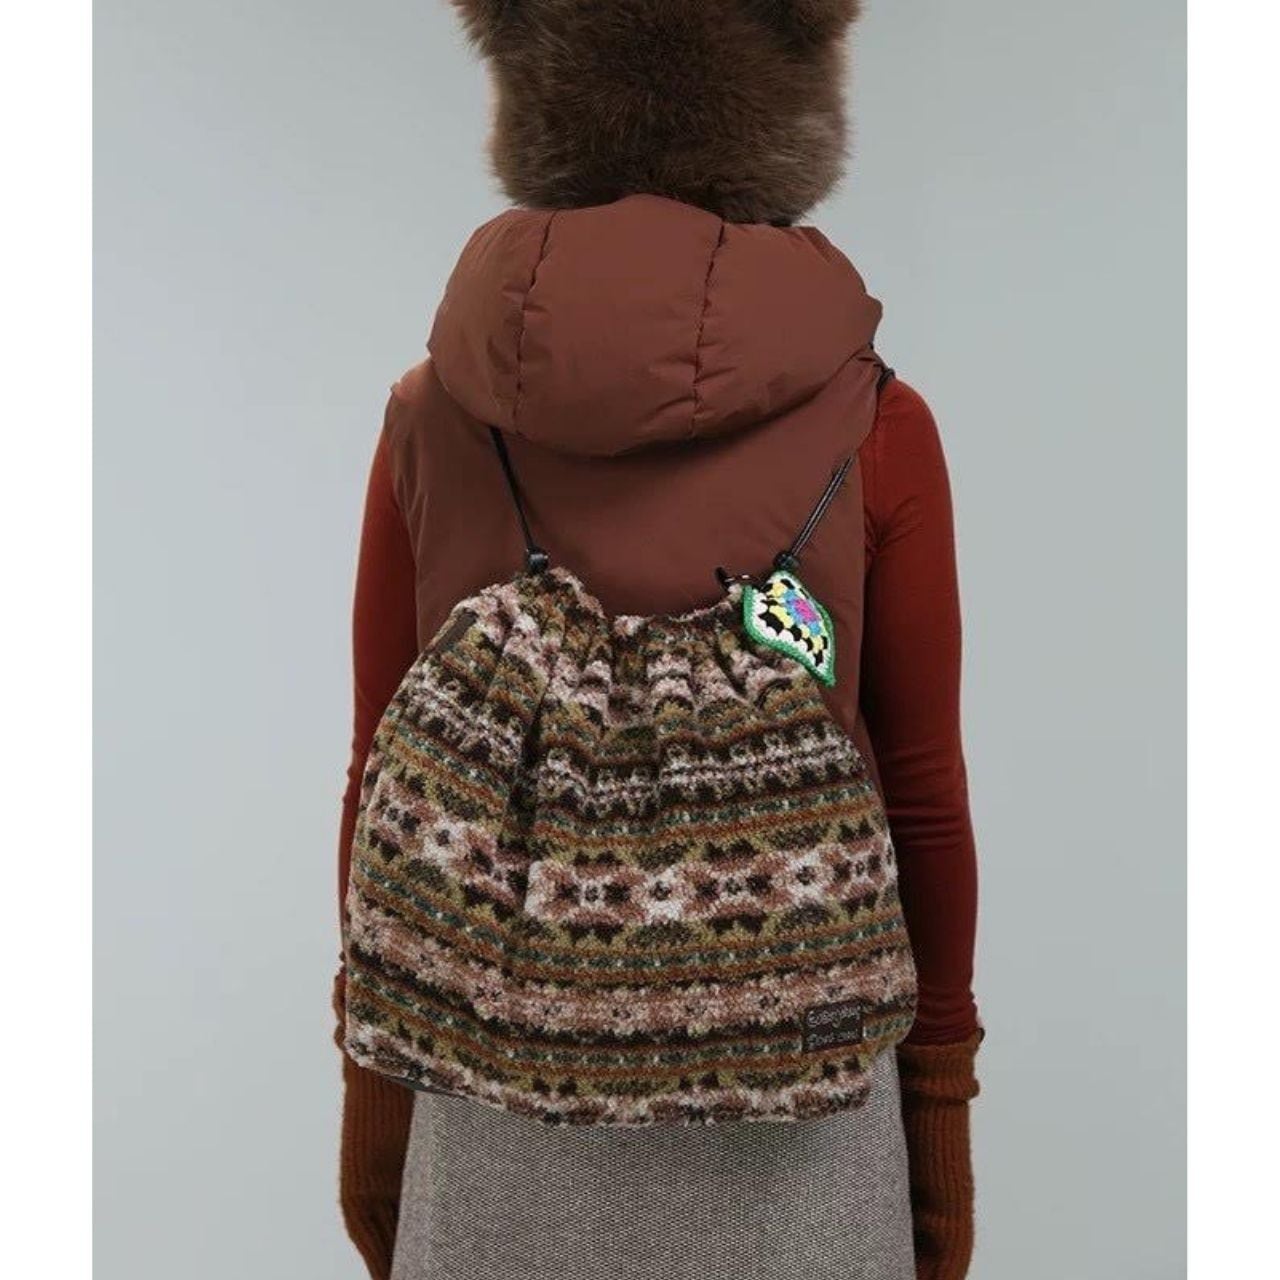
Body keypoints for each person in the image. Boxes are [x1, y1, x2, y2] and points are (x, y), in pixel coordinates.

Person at [334, 3, 981, 1278]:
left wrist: (374, 1086)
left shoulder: (431, 412)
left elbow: (379, 775)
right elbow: (921, 797)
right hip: (801, 1112)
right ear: (790, 106)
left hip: (487, 1091)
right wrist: (937, 1110)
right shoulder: (878, 421)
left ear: (533, 102)